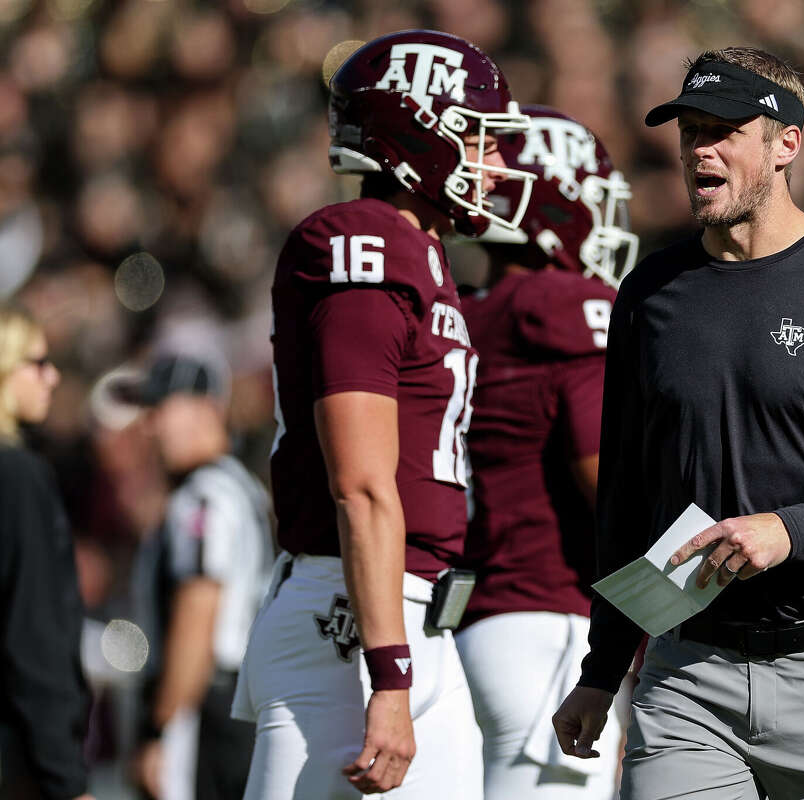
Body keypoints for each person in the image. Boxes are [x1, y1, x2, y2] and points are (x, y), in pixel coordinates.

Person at [552, 46, 804, 800]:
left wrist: (787, 532)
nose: (699, 150)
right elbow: (626, 500)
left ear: (786, 144)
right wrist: (601, 670)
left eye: (724, 130)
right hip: (688, 677)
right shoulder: (650, 294)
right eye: (690, 132)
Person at [231, 30, 535, 800]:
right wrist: (389, 674)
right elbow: (361, 486)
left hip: (413, 616)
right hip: (357, 620)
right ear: (415, 136)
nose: (496, 164)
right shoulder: (359, 243)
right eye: (477, 137)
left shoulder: (424, 255)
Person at [453, 106, 638, 799]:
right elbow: (614, 488)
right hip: (551, 635)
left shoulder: (467, 311)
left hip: (470, 628)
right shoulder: (566, 303)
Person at [130, 353, 273, 800]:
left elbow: (198, 613)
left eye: (161, 409)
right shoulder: (240, 486)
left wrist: (159, 729)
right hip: (241, 704)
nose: (150, 427)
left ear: (206, 407)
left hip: (208, 711)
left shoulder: (204, 497)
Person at [0, 306, 95, 800]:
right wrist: (66, 777)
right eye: (36, 363)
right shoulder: (18, 477)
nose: (51, 377)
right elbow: (31, 632)